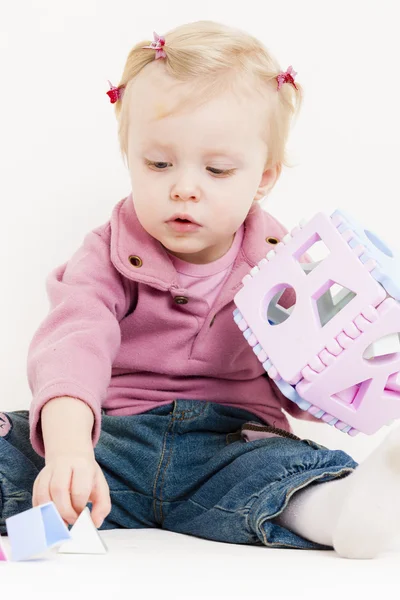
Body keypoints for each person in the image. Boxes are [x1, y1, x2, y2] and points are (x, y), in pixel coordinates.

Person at [1, 20, 398, 560]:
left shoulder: (291, 265)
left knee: (284, 473)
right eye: (158, 163)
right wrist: (69, 450)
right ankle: (62, 508)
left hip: (231, 446)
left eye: (217, 169)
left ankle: (344, 512)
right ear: (130, 158)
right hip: (111, 443)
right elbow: (73, 345)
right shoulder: (107, 254)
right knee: (14, 443)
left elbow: (301, 384)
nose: (184, 186)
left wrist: (337, 370)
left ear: (262, 177)